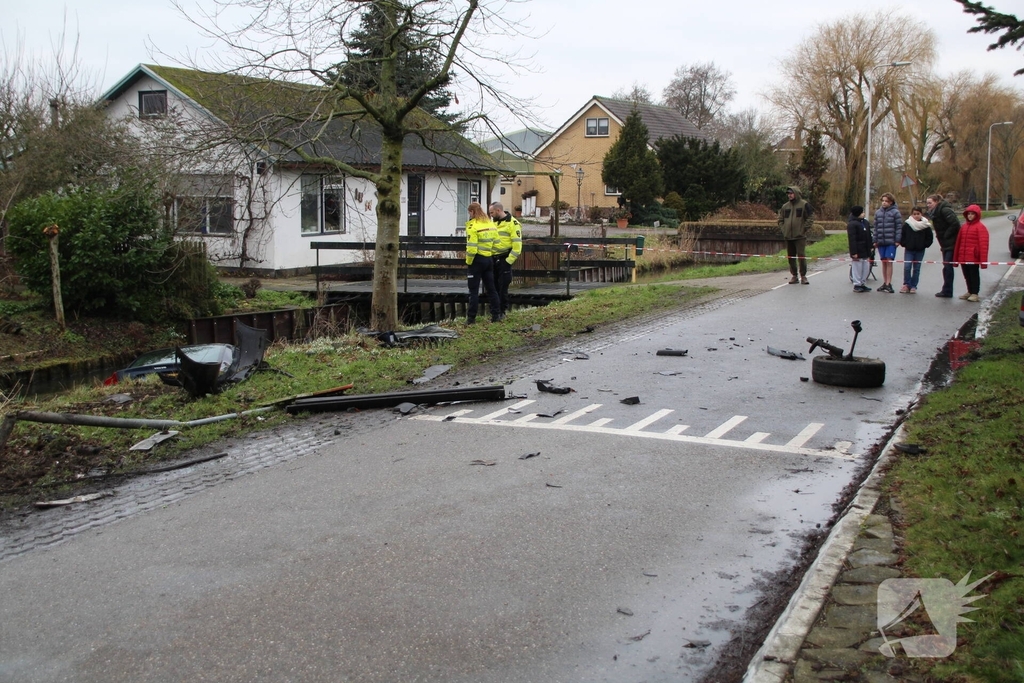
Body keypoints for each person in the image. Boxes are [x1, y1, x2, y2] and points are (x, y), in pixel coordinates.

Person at [464, 202, 501, 323]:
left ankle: (471, 318)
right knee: (491, 289)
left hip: (476, 261)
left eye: (469, 212)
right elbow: (497, 243)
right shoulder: (490, 224)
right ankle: (496, 315)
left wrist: (469, 262)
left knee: (473, 291)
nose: (469, 215)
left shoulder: (472, 226)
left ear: (473, 212)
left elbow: (472, 248)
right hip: (488, 260)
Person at [488, 201, 523, 319]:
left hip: (504, 259)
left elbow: (517, 247)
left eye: (492, 212)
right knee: (492, 287)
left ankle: (501, 312)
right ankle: (494, 313)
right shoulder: (493, 224)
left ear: (498, 210)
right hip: (492, 259)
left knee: (503, 287)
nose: (490, 215)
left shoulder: (513, 224)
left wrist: (508, 262)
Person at [926, 193, 961, 298]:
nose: (928, 205)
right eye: (927, 203)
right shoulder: (935, 212)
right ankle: (946, 289)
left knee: (948, 266)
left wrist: (946, 235)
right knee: (946, 267)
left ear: (936, 202)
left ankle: (948, 290)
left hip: (951, 243)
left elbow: (955, 223)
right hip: (945, 243)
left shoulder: (945, 210)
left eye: (930, 203)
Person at [953, 204, 989, 303]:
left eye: (972, 214)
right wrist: (957, 257)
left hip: (973, 257)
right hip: (963, 256)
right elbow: (958, 243)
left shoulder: (980, 227)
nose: (970, 216)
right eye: (968, 214)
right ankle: (969, 291)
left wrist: (982, 261)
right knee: (966, 274)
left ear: (976, 215)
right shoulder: (964, 227)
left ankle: (975, 293)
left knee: (973, 274)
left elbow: (983, 245)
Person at [778, 186, 813, 284]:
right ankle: (794, 275)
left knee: (801, 256)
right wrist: (784, 229)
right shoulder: (785, 206)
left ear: (796, 194)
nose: (789, 195)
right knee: (791, 256)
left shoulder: (804, 204)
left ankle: (803, 276)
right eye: (788, 194)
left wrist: (803, 229)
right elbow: (780, 220)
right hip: (788, 236)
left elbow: (810, 218)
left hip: (800, 236)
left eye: (791, 193)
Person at [898, 206, 934, 293]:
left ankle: (914, 285)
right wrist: (904, 243)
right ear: (912, 214)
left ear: (921, 214)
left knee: (916, 268)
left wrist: (925, 245)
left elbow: (929, 237)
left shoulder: (925, 225)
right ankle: (906, 284)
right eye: (914, 214)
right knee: (907, 267)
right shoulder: (907, 224)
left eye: (918, 214)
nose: (916, 216)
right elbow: (902, 235)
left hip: (920, 250)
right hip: (909, 249)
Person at [872, 193, 902, 293]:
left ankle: (889, 283)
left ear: (891, 202)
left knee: (889, 261)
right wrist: (875, 240)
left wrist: (897, 240)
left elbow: (898, 227)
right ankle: (885, 282)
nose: (884, 203)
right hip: (881, 241)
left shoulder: (895, 213)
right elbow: (876, 228)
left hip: (891, 241)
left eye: (886, 201)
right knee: (884, 262)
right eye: (883, 201)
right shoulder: (878, 213)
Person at [847, 205, 873, 293]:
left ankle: (863, 283)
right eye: (862, 212)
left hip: (865, 249)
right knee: (857, 267)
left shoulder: (865, 222)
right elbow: (852, 239)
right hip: (858, 249)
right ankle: (857, 284)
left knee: (865, 267)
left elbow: (869, 236)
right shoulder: (852, 224)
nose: (863, 213)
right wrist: (853, 252)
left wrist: (871, 246)